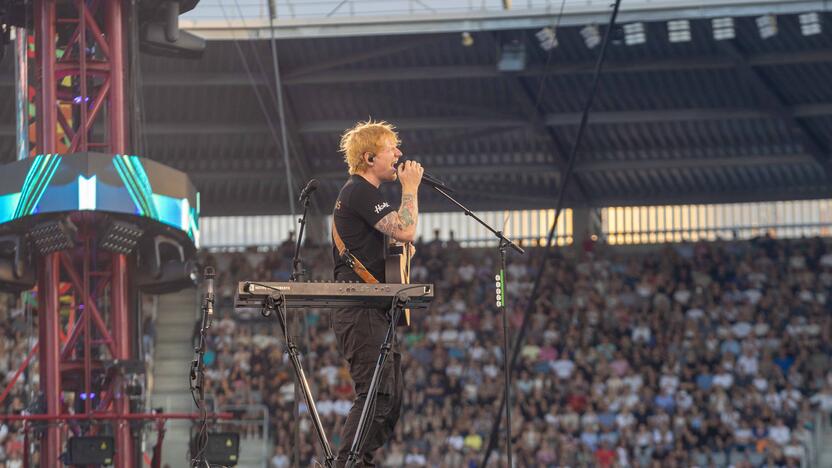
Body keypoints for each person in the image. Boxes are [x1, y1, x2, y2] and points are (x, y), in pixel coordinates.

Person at [331, 120, 423, 467]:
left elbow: (397, 244)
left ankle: (361, 460)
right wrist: (410, 188)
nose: (399, 154)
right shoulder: (358, 191)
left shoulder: (368, 196)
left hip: (372, 308)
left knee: (391, 398)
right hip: (359, 307)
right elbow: (406, 229)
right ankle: (348, 463)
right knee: (376, 394)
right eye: (391, 149)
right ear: (370, 157)